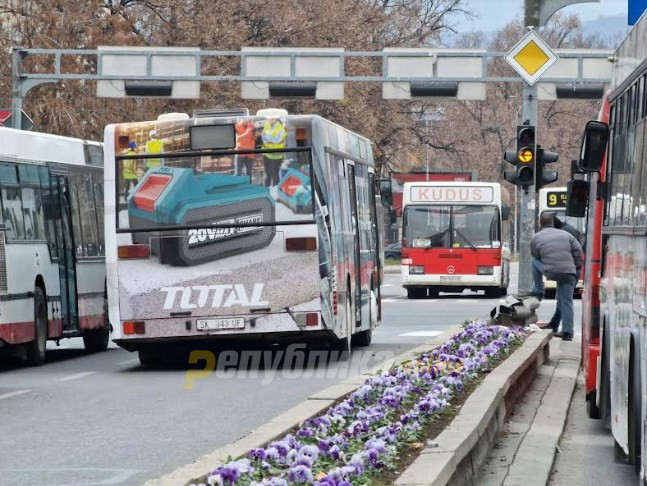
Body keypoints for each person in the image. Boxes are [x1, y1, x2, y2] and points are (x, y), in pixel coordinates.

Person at [530, 213, 583, 341]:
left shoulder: (536, 237)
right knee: (567, 302)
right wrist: (572, 265)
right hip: (569, 272)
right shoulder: (567, 235)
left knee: (534, 263)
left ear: (540, 224)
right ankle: (568, 333)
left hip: (551, 271)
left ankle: (538, 291)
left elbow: (536, 254)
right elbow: (579, 252)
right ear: (553, 223)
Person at [261, 116, 286, 187]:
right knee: (267, 175)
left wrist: (268, 138)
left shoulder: (280, 128)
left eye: (271, 118)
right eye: (268, 118)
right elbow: (263, 138)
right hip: (266, 154)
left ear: (275, 119)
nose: (269, 119)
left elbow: (277, 140)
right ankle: (265, 191)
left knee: (275, 175)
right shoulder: (267, 125)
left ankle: (275, 191)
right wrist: (270, 138)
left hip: (277, 155)